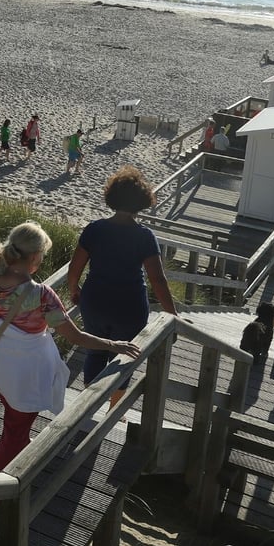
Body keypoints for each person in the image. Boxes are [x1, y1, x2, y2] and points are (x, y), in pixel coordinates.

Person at [0, 222, 140, 505]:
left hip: (1, 361)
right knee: (15, 429)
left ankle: (18, 463)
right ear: (36, 258)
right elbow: (75, 337)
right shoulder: (40, 295)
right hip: (27, 370)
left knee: (13, 422)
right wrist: (114, 345)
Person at [66, 167, 178, 406]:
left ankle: (87, 406)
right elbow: (157, 279)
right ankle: (113, 409)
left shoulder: (94, 229)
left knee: (95, 350)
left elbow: (75, 268)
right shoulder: (144, 236)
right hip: (129, 306)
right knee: (124, 355)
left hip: (95, 300)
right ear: (141, 201)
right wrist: (171, 314)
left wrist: (74, 289)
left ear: (112, 197)